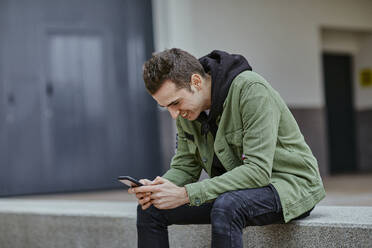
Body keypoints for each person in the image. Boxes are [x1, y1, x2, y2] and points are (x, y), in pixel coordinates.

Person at [128, 48, 326, 248]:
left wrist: (186, 194)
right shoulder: (187, 112)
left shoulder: (251, 89)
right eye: (167, 107)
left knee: (228, 206)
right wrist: (157, 189)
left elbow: (257, 172)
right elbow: (185, 167)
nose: (174, 114)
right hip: (236, 191)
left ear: (196, 82)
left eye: (175, 103)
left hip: (289, 185)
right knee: (151, 208)